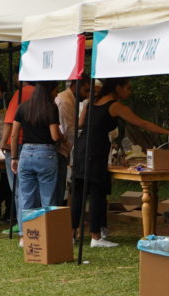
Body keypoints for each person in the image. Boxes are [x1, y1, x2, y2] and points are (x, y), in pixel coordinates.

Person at [70, 78, 163, 247]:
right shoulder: (115, 106)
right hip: (96, 148)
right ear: (117, 87)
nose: (129, 91)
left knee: (79, 192)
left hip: (82, 146)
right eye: (127, 87)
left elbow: (81, 123)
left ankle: (71, 234)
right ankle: (96, 236)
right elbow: (141, 123)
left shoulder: (93, 101)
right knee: (96, 191)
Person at [11, 82, 64, 231]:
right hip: (46, 154)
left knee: (25, 197)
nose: (57, 94)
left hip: (25, 154)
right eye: (55, 90)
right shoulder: (51, 108)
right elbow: (54, 135)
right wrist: (62, 137)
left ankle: (24, 234)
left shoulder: (23, 107)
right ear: (49, 91)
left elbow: (14, 135)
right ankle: (46, 232)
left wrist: (14, 157)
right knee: (47, 196)